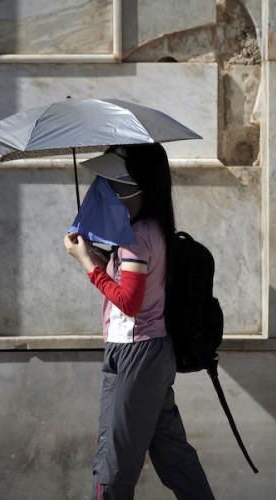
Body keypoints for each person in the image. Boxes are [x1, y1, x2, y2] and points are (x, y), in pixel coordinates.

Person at [63, 143, 216, 500]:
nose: (103, 188)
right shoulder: (145, 231)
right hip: (147, 352)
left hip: (136, 354)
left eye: (110, 180)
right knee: (173, 455)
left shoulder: (135, 238)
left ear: (132, 185)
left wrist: (85, 262)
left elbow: (128, 303)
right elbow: (129, 294)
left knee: (113, 465)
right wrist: (98, 258)